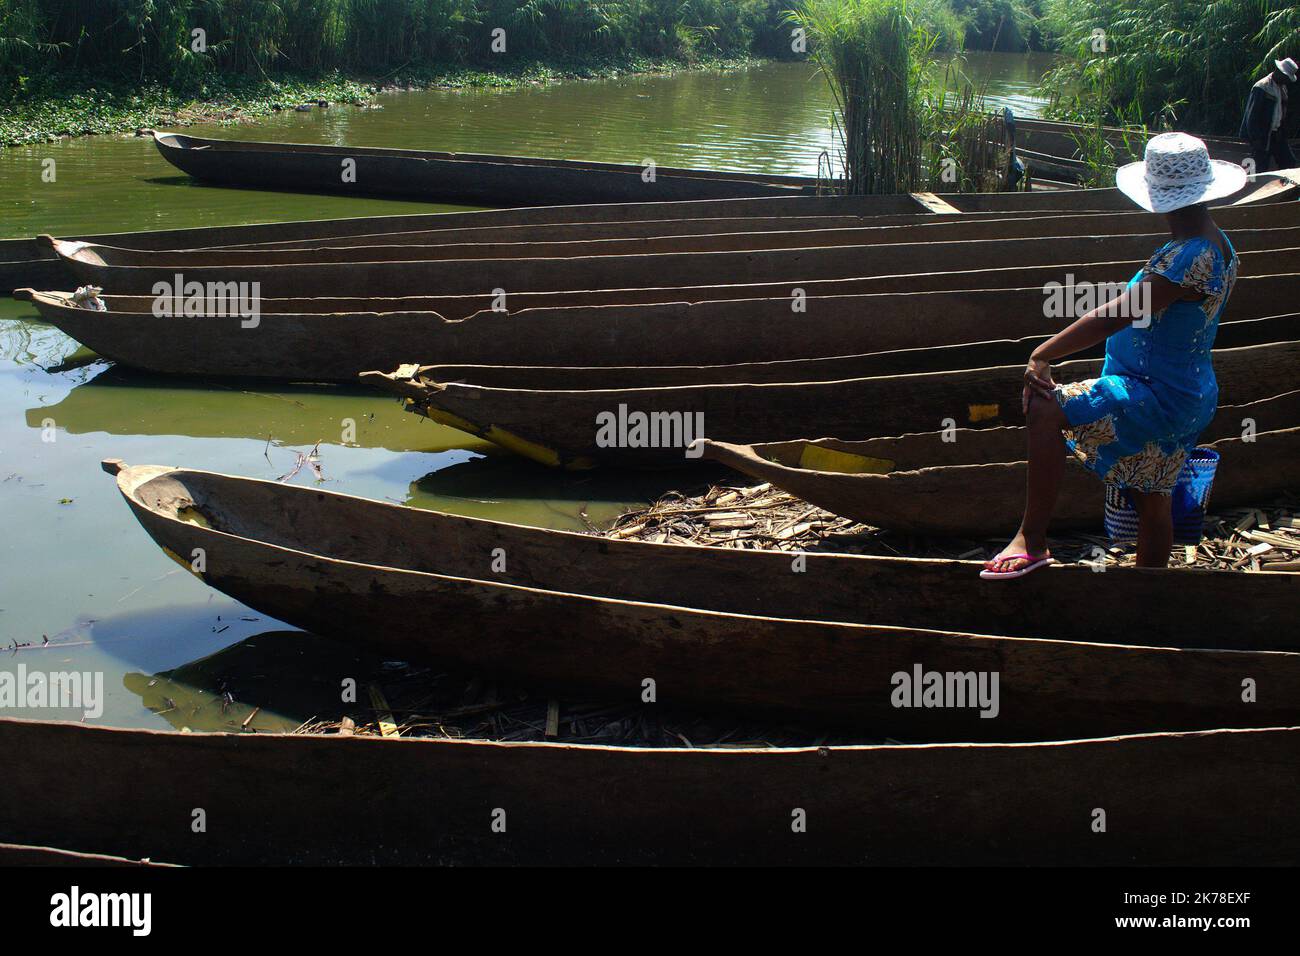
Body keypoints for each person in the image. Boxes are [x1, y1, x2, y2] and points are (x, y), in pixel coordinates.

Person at [982, 133, 1245, 579]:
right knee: (1152, 493)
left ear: (1160, 198)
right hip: (1186, 391)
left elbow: (1115, 316)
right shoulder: (1213, 241)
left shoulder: (1193, 256)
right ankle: (1145, 594)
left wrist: (1041, 354)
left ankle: (1032, 540)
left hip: (1158, 394)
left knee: (1047, 407)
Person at [1240, 57, 1296, 173]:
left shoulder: (1283, 88)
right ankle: (1251, 188)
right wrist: (1256, 138)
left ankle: (1284, 188)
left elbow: (1281, 111)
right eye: (1286, 77)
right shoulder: (1262, 87)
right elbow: (1252, 115)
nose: (1287, 80)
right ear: (1279, 72)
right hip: (1263, 135)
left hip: (1277, 134)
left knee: (1289, 162)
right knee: (1257, 169)